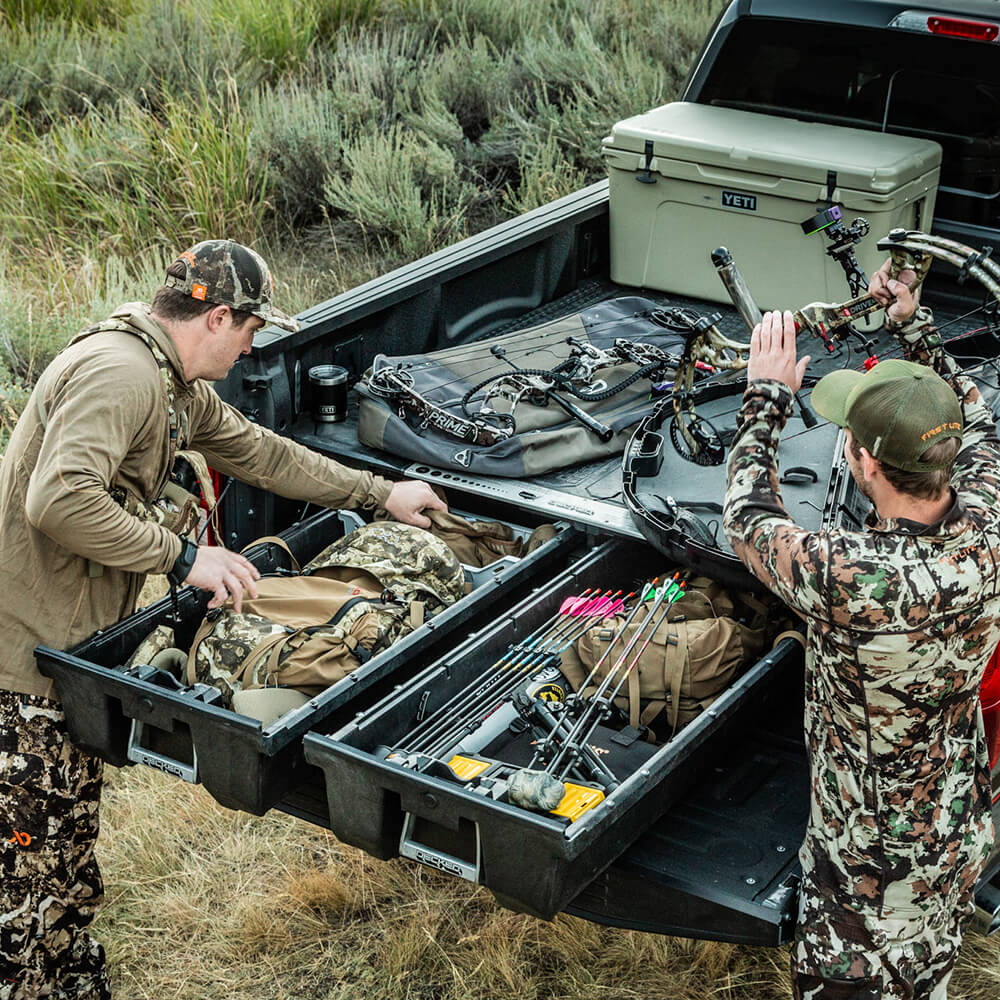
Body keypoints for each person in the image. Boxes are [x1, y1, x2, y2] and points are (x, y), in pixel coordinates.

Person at [0, 240, 446, 999]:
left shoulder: (167, 381)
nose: (250, 348)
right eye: (250, 331)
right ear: (217, 317)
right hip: (17, 668)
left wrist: (377, 493)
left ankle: (70, 980)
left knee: (66, 854)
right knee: (23, 877)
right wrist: (180, 557)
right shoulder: (122, 375)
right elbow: (59, 500)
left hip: (59, 651)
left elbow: (259, 453)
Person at [723, 261, 1000, 1000]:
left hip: (867, 879)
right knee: (929, 967)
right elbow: (973, 420)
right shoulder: (990, 515)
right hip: (953, 823)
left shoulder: (847, 575)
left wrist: (767, 397)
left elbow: (746, 519)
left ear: (864, 462)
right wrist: (913, 323)